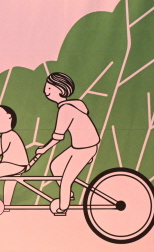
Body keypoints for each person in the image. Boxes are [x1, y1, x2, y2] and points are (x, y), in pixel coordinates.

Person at [34, 72, 99, 216]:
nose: (46, 91)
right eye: (46, 87)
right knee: (56, 166)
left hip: (85, 148)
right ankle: (68, 195)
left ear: (60, 89)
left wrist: (43, 149)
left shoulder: (66, 109)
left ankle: (62, 208)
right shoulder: (72, 105)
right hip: (79, 147)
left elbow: (58, 136)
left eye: (49, 88)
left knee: (66, 180)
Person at [0, 105, 27, 208]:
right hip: (18, 164)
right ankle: (7, 205)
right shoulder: (7, 135)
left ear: (9, 117)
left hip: (13, 164)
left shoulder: (8, 135)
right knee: (10, 184)